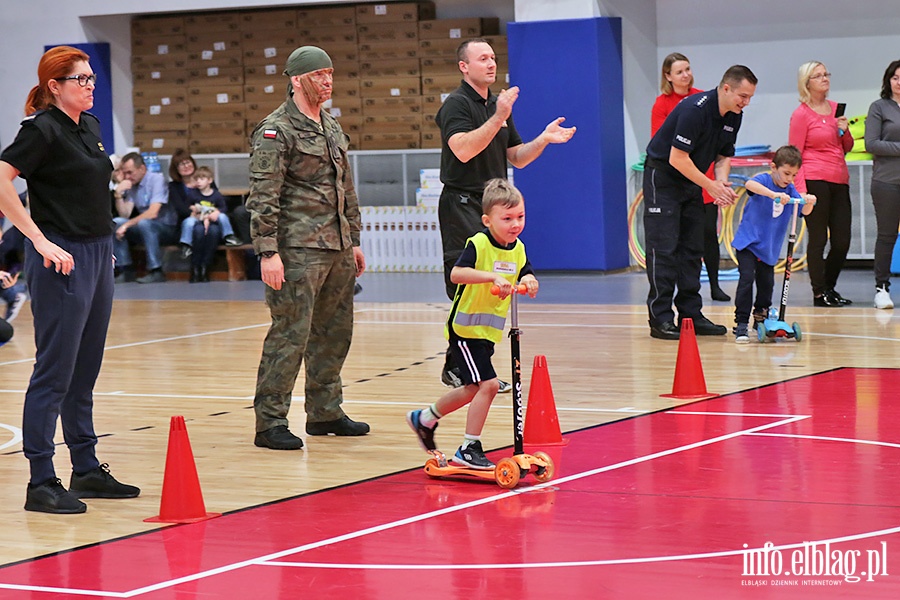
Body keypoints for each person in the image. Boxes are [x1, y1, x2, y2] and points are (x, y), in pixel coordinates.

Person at [0, 46, 139, 514]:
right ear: (55, 85)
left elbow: (88, 192)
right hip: (60, 257)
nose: (90, 85)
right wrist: (38, 240)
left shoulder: (91, 128)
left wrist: (106, 248)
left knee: (85, 371)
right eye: (81, 79)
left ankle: (85, 467)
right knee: (54, 372)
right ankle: (41, 480)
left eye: (92, 78)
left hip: (99, 253)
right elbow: (2, 182)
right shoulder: (40, 130)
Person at [246, 46, 368, 450]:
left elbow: (345, 189)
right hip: (296, 249)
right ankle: (270, 422)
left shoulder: (331, 127)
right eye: (319, 74)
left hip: (336, 248)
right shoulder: (276, 129)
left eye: (331, 73)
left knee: (334, 334)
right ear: (297, 80)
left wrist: (353, 240)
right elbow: (264, 195)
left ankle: (325, 412)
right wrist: (268, 251)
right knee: (290, 335)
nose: (328, 81)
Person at [435, 37, 575, 389]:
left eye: (493, 57)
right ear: (464, 66)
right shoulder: (456, 105)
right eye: (482, 58)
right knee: (468, 282)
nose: (491, 63)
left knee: (498, 282)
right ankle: (459, 365)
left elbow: (517, 157)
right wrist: (498, 116)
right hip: (464, 204)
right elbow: (463, 151)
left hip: (493, 203)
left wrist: (543, 139)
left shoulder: (497, 106)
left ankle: (477, 367)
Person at [407, 178, 538, 469]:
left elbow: (525, 271)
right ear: (487, 220)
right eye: (506, 219)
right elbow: (457, 274)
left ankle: (425, 418)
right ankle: (468, 447)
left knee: (471, 388)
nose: (515, 224)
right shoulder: (479, 244)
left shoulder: (517, 248)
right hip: (465, 330)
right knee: (489, 385)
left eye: (520, 217)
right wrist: (492, 277)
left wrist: (528, 280)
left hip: (487, 332)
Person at [643, 65, 757, 340]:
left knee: (693, 249)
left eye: (750, 97)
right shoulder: (695, 109)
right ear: (726, 88)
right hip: (665, 177)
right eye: (742, 95)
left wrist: (722, 184)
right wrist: (710, 185)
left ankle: (690, 314)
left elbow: (723, 156)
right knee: (665, 249)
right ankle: (660, 319)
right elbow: (676, 158)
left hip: (692, 179)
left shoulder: (734, 115)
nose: (746, 102)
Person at [651, 53, 730, 302]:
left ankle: (714, 286)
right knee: (672, 243)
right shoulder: (663, 104)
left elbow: (721, 149)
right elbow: (664, 144)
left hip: (704, 181)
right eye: (679, 71)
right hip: (677, 177)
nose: (686, 74)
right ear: (668, 77)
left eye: (687, 69)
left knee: (706, 236)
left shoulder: (705, 98)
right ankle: (666, 303)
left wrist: (717, 182)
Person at [731, 146, 816, 342]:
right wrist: (773, 195)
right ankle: (741, 323)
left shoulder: (791, 189)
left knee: (766, 284)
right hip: (749, 243)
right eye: (786, 173)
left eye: (794, 175)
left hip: (769, 247)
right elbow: (750, 185)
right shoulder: (764, 181)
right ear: (773, 167)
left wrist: (809, 201)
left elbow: (804, 211)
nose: (789, 179)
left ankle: (760, 317)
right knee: (746, 280)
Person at [788, 61, 854, 307]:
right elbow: (795, 155)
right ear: (807, 83)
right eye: (818, 75)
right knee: (818, 239)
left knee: (842, 240)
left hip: (839, 179)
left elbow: (846, 147)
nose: (825, 78)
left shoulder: (837, 109)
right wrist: (802, 190)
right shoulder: (801, 115)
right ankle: (819, 293)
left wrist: (844, 131)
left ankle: (829, 286)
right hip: (815, 180)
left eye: (826, 73)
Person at [865, 60, 900, 310]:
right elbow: (872, 144)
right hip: (886, 181)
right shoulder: (879, 107)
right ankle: (882, 288)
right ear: (889, 80)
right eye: (896, 77)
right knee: (887, 235)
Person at [112, 152, 178, 283]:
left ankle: (156, 270)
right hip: (145, 229)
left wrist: (127, 225)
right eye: (125, 173)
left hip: (166, 228)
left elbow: (153, 213)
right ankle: (126, 269)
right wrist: (118, 194)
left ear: (142, 168)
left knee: (144, 223)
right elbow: (125, 214)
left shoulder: (156, 179)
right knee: (116, 223)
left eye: (130, 172)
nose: (127, 177)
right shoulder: (133, 185)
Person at [182, 166, 240, 282]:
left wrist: (214, 214)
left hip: (213, 221)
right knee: (190, 224)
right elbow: (187, 206)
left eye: (202, 179)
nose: (198, 181)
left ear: (209, 180)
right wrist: (193, 209)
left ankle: (229, 236)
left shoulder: (216, 195)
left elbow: (223, 208)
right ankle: (187, 246)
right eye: (197, 179)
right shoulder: (193, 194)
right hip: (198, 219)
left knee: (218, 224)